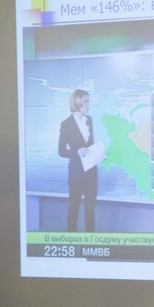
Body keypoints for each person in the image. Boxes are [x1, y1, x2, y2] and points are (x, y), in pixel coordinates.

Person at [58, 88, 97, 232]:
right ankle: (71, 240)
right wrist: (77, 152)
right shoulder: (66, 124)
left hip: (91, 171)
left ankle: (90, 240)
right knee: (74, 207)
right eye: (86, 101)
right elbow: (61, 151)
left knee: (90, 208)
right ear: (78, 103)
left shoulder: (89, 120)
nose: (88, 105)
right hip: (76, 172)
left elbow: (90, 145)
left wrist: (98, 154)